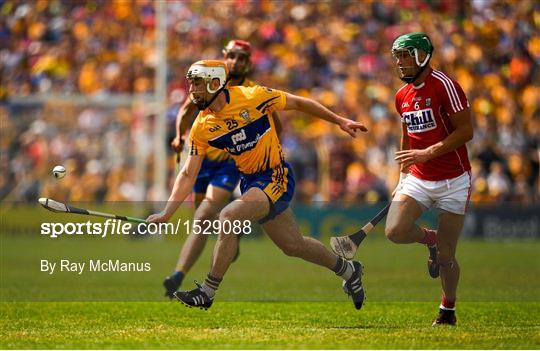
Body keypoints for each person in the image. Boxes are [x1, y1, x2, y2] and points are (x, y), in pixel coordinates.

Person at [148, 59, 369, 310]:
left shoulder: (253, 96)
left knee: (229, 215)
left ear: (216, 83)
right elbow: (188, 173)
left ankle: (207, 292)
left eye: (198, 83)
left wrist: (339, 120)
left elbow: (298, 102)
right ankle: (349, 271)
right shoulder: (202, 125)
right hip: (250, 183)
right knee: (294, 246)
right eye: (191, 84)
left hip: (276, 176)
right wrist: (167, 212)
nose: (192, 90)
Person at [163, 40, 281, 298]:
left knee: (205, 214)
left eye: (242, 58)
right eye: (231, 56)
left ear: (248, 63)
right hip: (202, 161)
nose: (236, 62)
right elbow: (185, 110)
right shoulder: (206, 81)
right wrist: (179, 135)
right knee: (201, 222)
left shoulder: (251, 91)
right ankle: (183, 271)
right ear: (223, 57)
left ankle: (179, 276)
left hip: (230, 163)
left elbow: (275, 120)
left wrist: (271, 149)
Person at [386, 32, 473, 326]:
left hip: (454, 179)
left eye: (405, 55)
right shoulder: (402, 96)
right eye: (396, 57)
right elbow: (407, 134)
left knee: (448, 256)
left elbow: (466, 131)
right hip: (419, 177)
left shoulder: (445, 86)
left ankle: (447, 308)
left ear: (423, 55)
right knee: (395, 231)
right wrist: (403, 174)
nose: (399, 62)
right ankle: (430, 239)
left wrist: (429, 152)